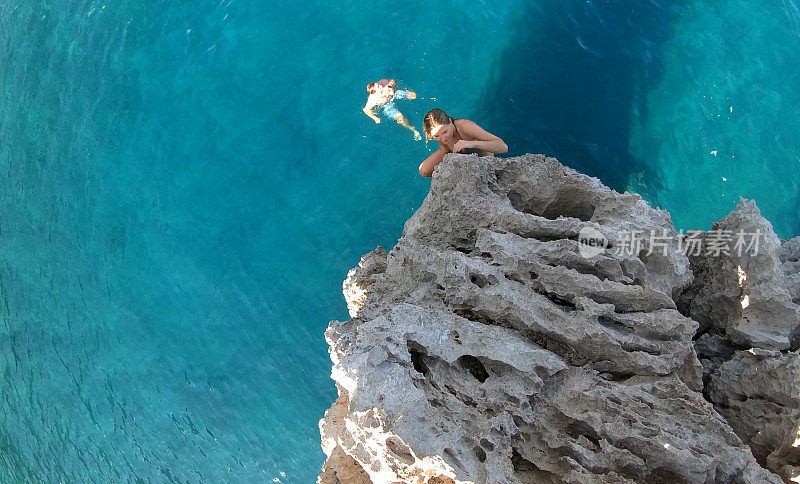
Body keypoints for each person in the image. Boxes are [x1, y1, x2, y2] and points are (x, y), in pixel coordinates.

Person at [418, 108, 508, 177]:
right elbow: (444, 149)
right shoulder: (441, 134)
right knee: (424, 170)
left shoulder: (465, 127)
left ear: (450, 122)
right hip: (459, 155)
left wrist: (471, 143)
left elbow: (503, 147)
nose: (443, 139)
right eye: (436, 136)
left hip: (480, 155)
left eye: (445, 132)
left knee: (483, 175)